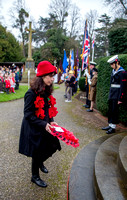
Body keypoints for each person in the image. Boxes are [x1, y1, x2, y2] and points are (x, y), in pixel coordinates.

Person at [19, 61, 61, 188]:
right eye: (50, 76)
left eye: (53, 76)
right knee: (37, 152)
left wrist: (52, 120)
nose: (52, 79)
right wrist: (43, 124)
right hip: (34, 127)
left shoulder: (46, 91)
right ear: (42, 76)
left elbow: (48, 108)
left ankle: (40, 162)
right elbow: (28, 114)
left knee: (53, 145)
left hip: (45, 124)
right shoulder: (31, 93)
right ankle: (34, 176)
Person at [102, 55, 125, 134]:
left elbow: (123, 87)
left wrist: (120, 98)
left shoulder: (122, 72)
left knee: (115, 111)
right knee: (110, 110)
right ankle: (110, 124)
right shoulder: (114, 71)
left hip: (117, 94)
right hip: (112, 93)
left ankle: (113, 127)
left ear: (117, 63)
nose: (111, 66)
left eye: (112, 64)